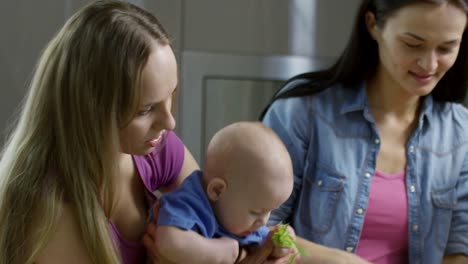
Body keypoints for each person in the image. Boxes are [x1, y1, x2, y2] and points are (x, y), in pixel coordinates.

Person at [261, 0, 468, 263]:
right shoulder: (302, 113)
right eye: (412, 44)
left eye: (446, 48)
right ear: (373, 25)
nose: (429, 64)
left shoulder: (460, 133)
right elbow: (258, 230)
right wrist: (339, 261)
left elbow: (460, 250)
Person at [0, 1, 202, 263]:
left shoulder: (154, 148)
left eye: (170, 95)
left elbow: (218, 216)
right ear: (92, 110)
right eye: (145, 110)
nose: (169, 122)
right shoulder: (54, 211)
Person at [152, 121, 296, 264]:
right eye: (256, 211)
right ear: (217, 191)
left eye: (269, 211)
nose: (263, 221)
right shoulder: (188, 204)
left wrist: (278, 246)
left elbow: (262, 244)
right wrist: (220, 252)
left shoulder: (241, 221)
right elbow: (168, 242)